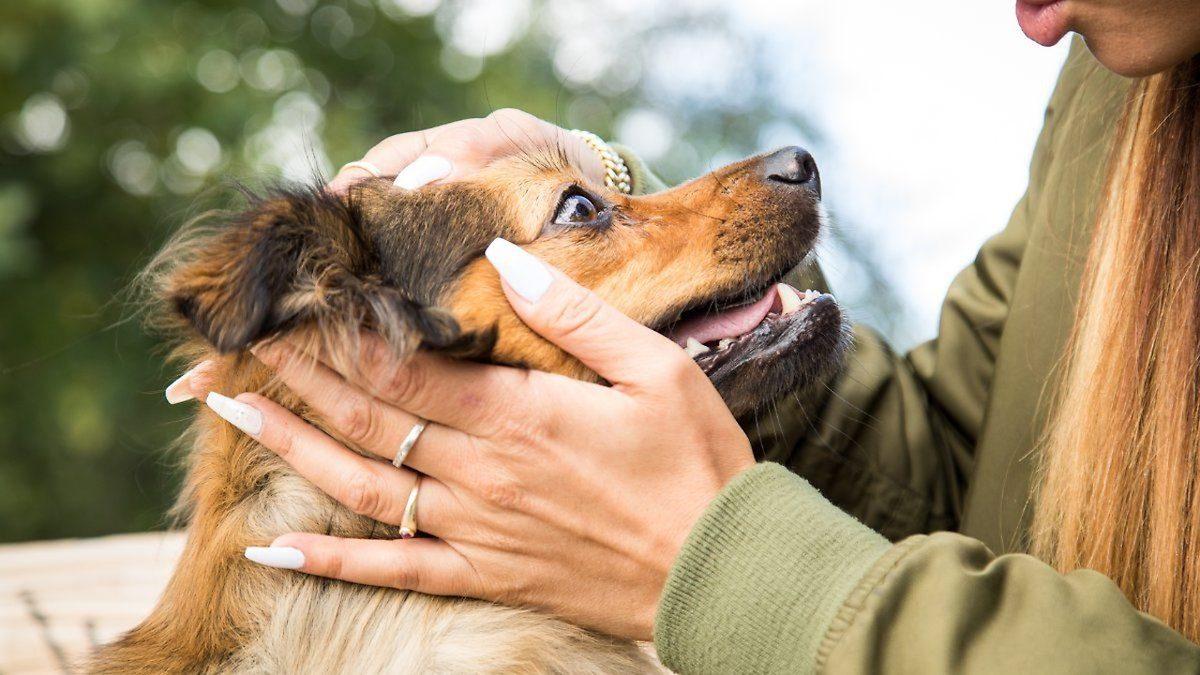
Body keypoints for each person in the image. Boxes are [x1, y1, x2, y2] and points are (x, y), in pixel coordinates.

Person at [181, 1, 1200, 671]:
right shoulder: (1124, 85)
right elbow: (965, 473)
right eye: (580, 215)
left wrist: (729, 563)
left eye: (582, 211)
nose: (1026, 16)